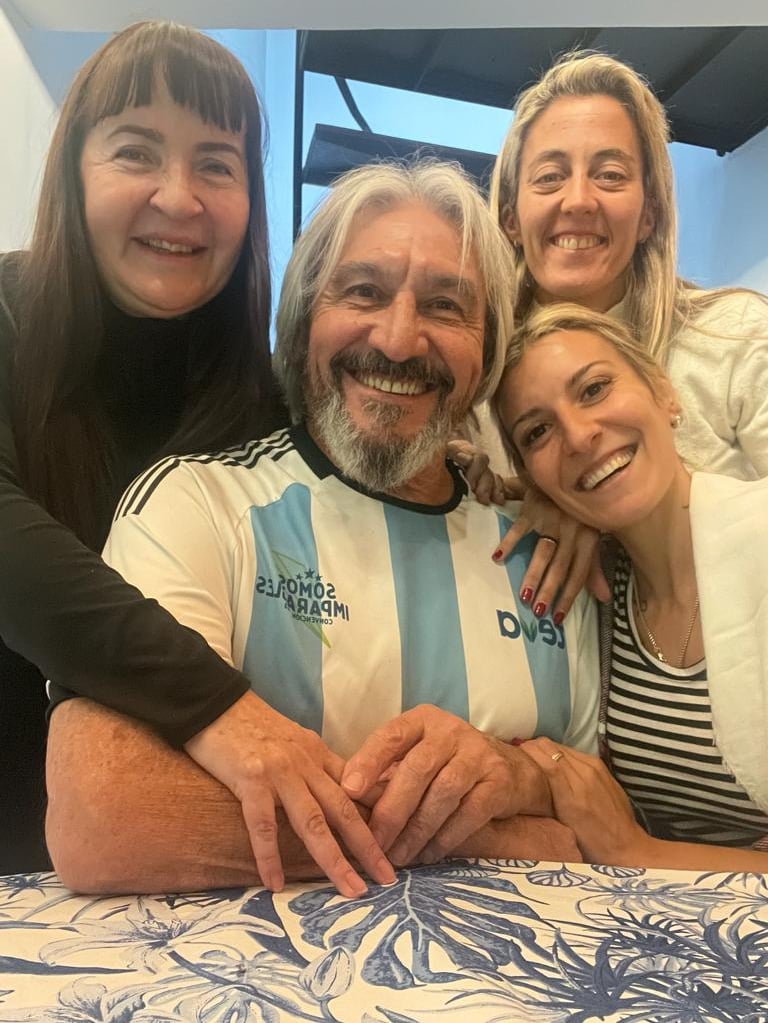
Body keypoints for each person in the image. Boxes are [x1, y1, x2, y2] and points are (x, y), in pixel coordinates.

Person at [45, 161, 597, 896]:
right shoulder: (195, 507)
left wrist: (520, 774)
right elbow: (109, 816)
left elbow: (600, 825)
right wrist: (501, 838)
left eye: (445, 305)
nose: (399, 340)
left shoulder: (549, 560)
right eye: (363, 291)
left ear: (488, 351)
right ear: (304, 320)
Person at [0, 19, 378, 884]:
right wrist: (215, 702)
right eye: (136, 152)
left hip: (183, 872)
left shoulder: (266, 395)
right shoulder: (8, 313)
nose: (179, 197)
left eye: (216, 164)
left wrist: (540, 496)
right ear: (72, 171)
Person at [480, 49, 768, 620]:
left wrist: (598, 502)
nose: (579, 200)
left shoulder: (736, 338)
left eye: (610, 175)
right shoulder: (477, 381)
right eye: (550, 177)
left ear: (649, 214)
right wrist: (535, 494)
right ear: (511, 217)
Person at [495, 303, 768, 872]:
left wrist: (639, 851)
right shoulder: (593, 593)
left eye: (594, 389)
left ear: (664, 392)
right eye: (538, 431)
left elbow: (626, 842)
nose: (579, 436)